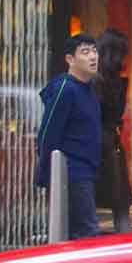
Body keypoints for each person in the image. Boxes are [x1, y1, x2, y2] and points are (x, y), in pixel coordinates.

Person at [35, 33, 103, 240]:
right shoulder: (65, 89)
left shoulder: (89, 90)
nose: (93, 56)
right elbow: (48, 133)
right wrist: (48, 174)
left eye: (94, 51)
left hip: (86, 173)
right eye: (85, 52)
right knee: (86, 234)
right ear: (70, 59)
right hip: (72, 174)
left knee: (77, 235)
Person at [93, 28, 132, 234]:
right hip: (106, 144)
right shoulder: (106, 82)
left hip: (100, 144)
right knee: (119, 204)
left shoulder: (98, 80)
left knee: (95, 204)